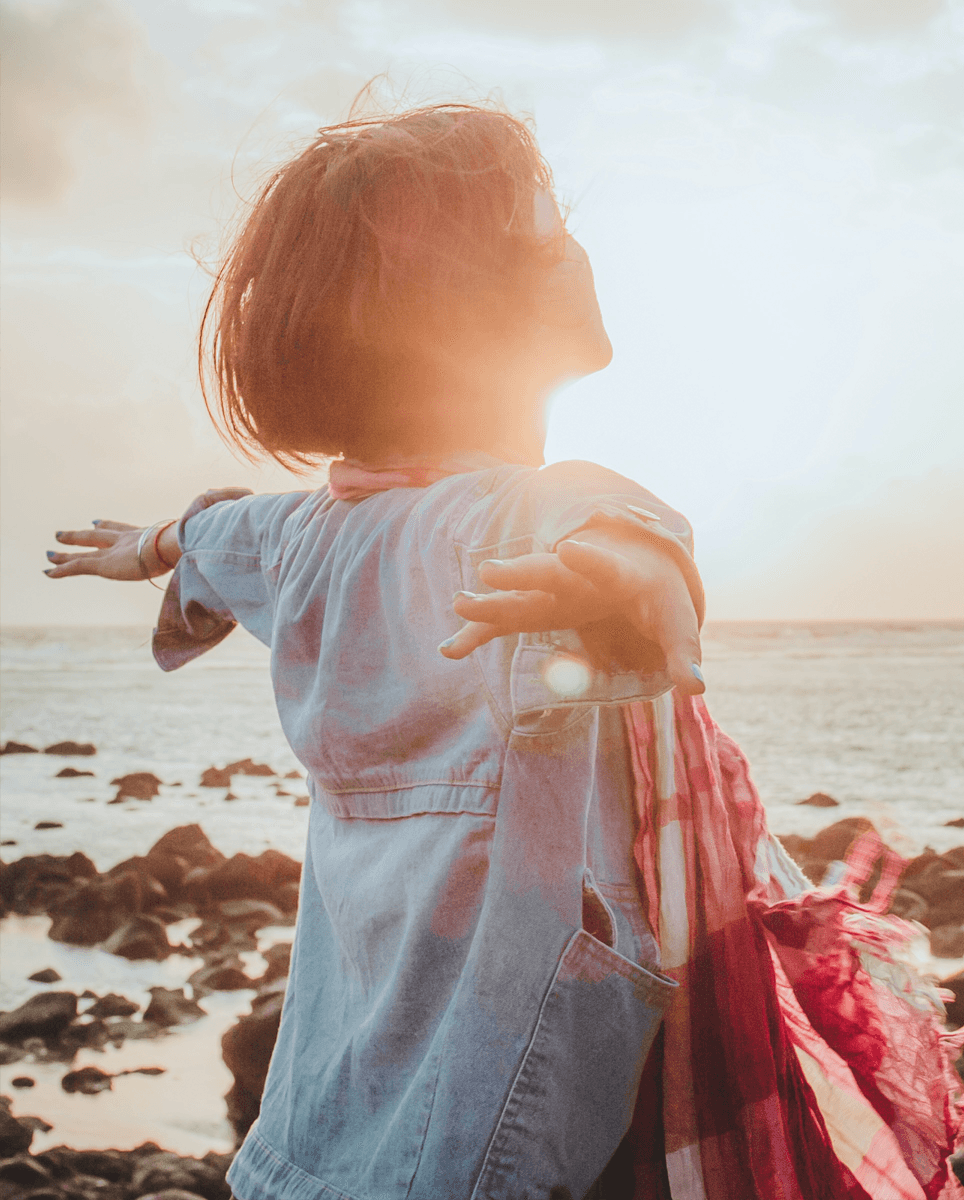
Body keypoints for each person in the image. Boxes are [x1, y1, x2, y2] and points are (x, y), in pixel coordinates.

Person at [45, 102, 712, 1200]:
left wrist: (148, 545)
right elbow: (621, 540)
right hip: (504, 1120)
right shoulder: (527, 516)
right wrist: (624, 588)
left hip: (330, 1116)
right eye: (548, 224)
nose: (579, 242)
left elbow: (218, 535)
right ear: (458, 308)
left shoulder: (308, 533)